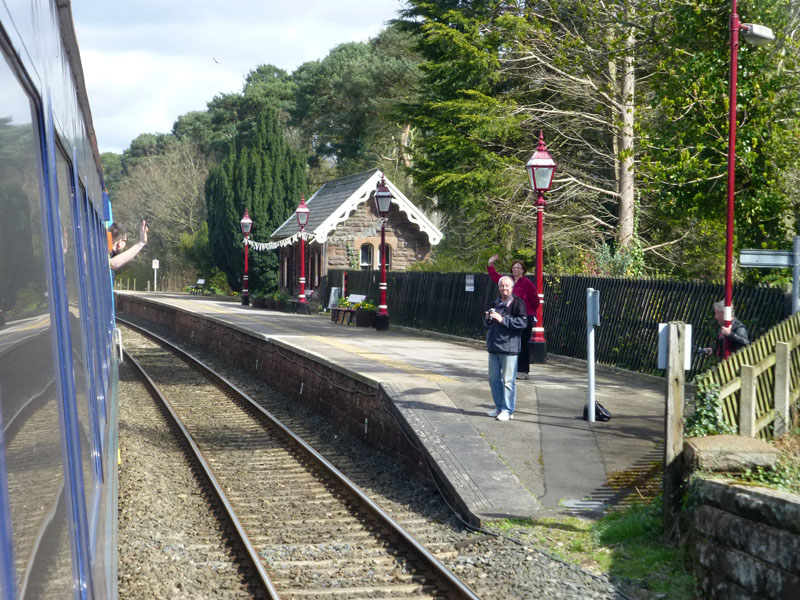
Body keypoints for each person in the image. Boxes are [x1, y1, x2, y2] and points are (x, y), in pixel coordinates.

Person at [487, 254, 540, 379]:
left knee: (523, 344)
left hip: (525, 316)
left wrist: (529, 311)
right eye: (514, 268)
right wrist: (490, 265)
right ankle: (510, 370)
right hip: (510, 317)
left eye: (518, 268)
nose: (516, 270)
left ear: (523, 270)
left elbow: (535, 300)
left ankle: (523, 371)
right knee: (511, 343)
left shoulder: (527, 283)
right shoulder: (508, 281)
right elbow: (496, 277)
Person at [485, 275, 528, 421]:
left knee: (508, 381)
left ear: (512, 287)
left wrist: (503, 319)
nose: (504, 288)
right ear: (498, 288)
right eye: (501, 286)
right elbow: (489, 324)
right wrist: (488, 319)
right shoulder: (496, 302)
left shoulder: (518, 303)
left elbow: (522, 323)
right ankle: (499, 407)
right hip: (494, 347)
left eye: (506, 286)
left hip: (509, 349)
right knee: (493, 379)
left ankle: (508, 410)